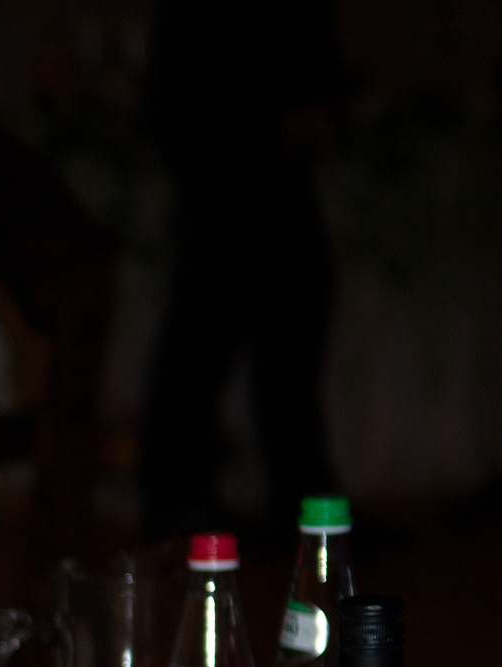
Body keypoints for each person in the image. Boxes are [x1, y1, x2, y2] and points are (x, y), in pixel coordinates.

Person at [137, 0, 343, 540]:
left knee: (290, 330)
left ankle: (303, 497)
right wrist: (272, 115)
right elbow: (192, 72)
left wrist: (314, 105)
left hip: (264, 160)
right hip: (222, 157)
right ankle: (178, 497)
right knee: (205, 327)